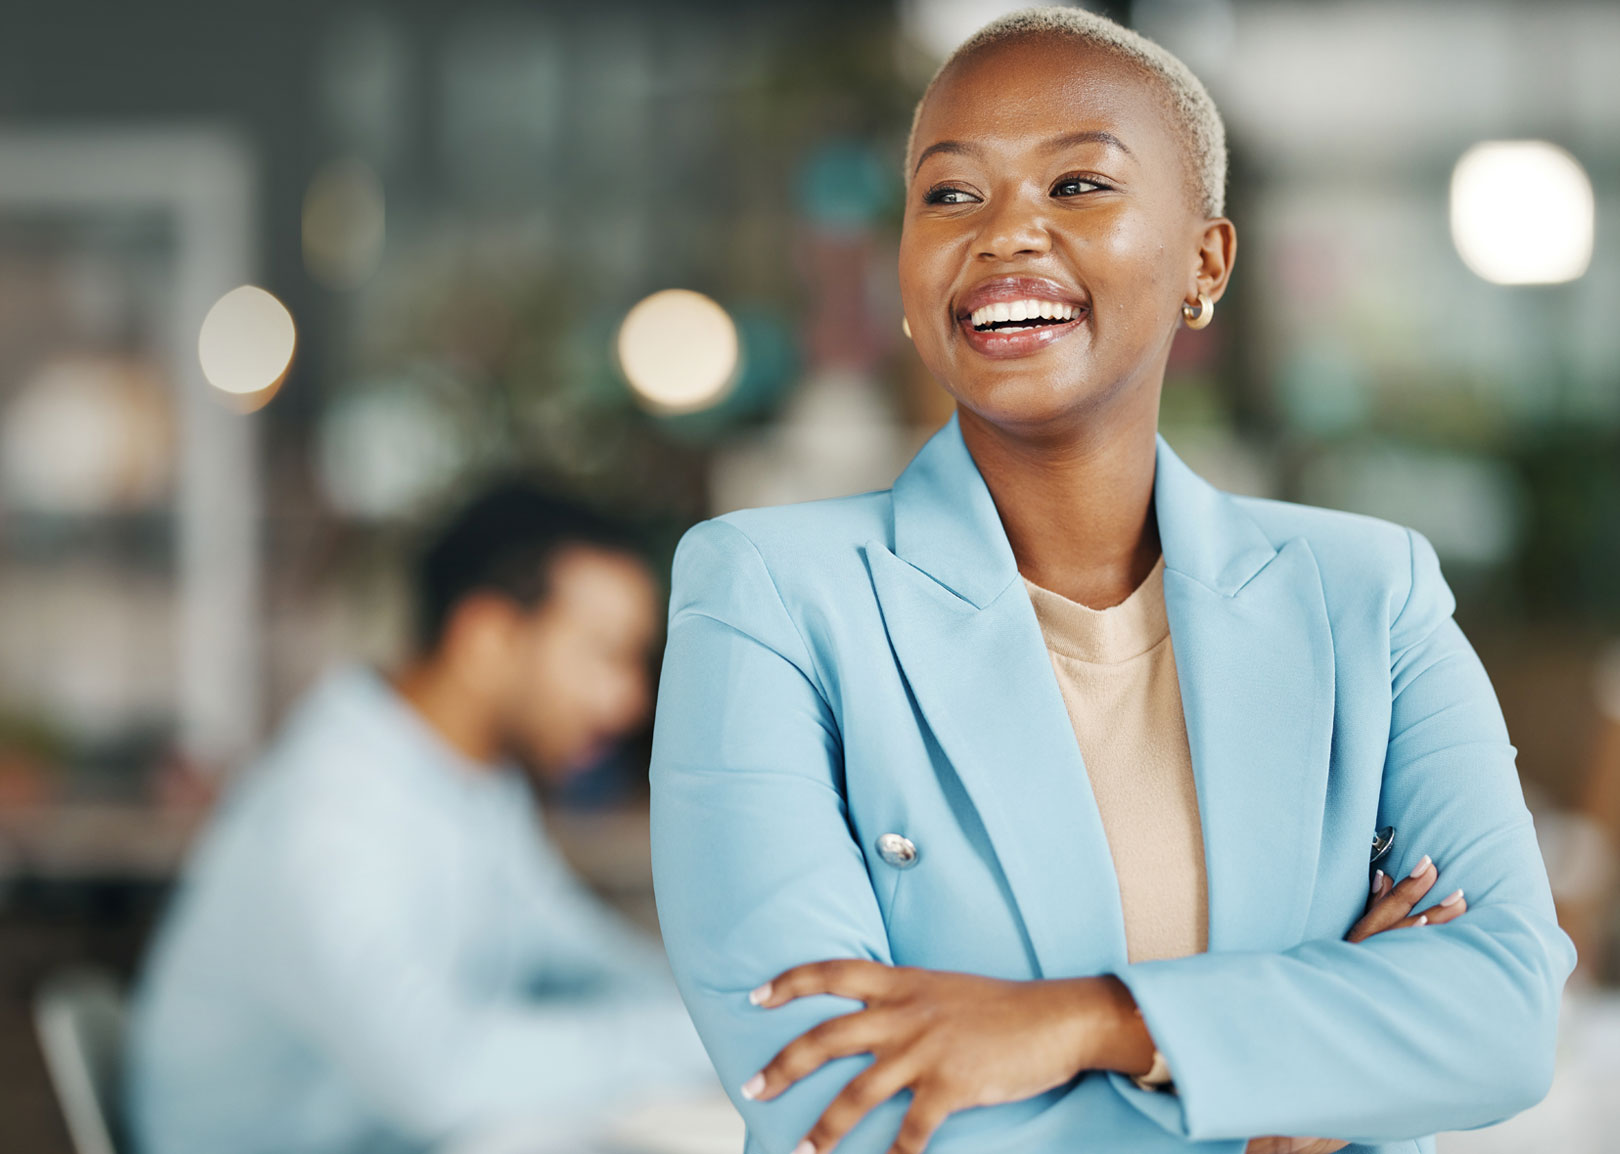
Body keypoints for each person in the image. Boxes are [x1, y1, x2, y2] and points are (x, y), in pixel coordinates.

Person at [647, 9, 1574, 1154]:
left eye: (1079, 183)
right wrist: (1297, 1066)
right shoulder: (768, 596)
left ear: (1206, 260)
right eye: (949, 196)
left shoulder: (1369, 595)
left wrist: (1087, 1021)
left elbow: (1505, 1013)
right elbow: (836, 1099)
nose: (1004, 234)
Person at [127, 483, 715, 1154]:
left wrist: (743, 1007)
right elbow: (440, 1077)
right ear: (486, 637)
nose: (630, 701)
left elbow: (576, 953)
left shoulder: (468, 782)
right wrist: (706, 1037)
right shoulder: (335, 810)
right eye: (605, 655)